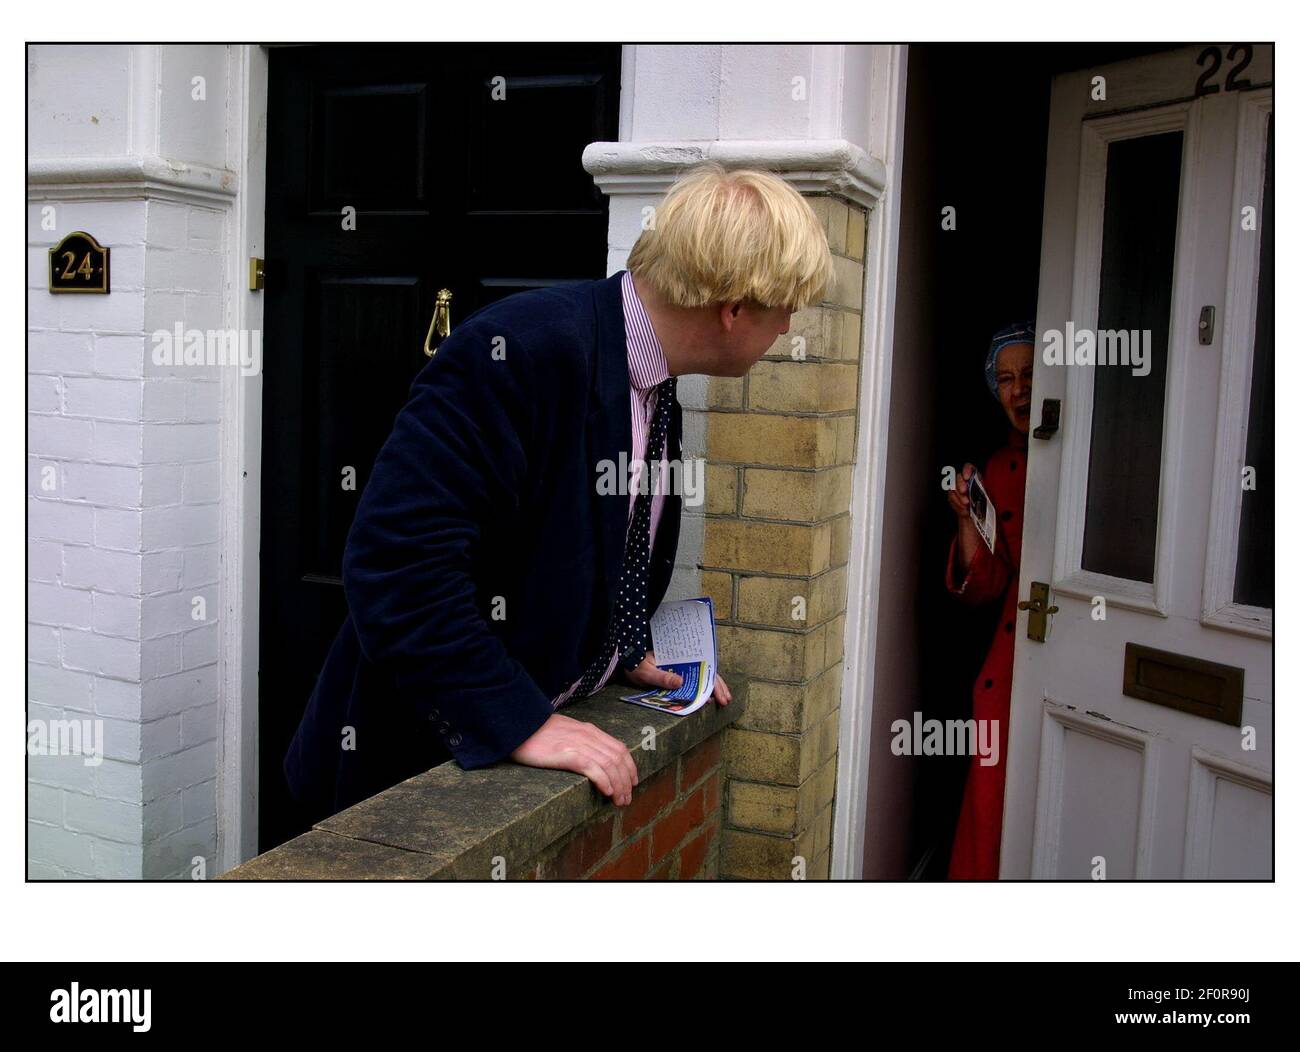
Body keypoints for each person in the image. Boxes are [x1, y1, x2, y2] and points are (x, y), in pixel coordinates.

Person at [284, 162, 833, 823]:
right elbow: (395, 566)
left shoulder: (656, 384)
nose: (786, 328)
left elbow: (593, 546)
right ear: (734, 307)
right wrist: (520, 721)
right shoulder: (517, 351)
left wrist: (621, 650)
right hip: (406, 767)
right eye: (784, 309)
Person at [945, 321, 1034, 880]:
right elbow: (985, 586)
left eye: (1030, 374)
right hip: (1008, 666)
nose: (1019, 389)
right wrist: (966, 519)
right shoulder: (998, 468)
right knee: (991, 808)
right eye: (1006, 379)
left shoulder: (1092, 457)